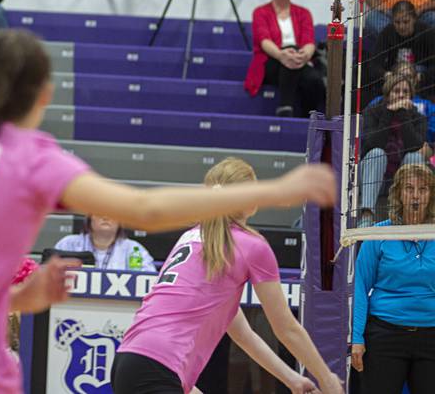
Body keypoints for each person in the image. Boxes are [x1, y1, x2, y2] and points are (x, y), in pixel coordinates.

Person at [0, 28, 336, 394]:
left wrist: (21, 296)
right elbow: (144, 208)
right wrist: (276, 189)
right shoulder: (29, 155)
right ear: (42, 96)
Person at [113, 158, 343, 394]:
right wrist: (327, 378)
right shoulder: (251, 245)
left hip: (131, 359)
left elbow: (242, 333)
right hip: (159, 367)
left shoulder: (193, 236)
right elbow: (286, 328)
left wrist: (292, 379)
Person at [351, 163, 435, 394]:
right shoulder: (379, 234)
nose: (416, 195)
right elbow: (359, 287)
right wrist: (356, 338)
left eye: (423, 189)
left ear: (431, 195)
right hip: (385, 335)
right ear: (398, 193)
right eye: (409, 188)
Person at [244, 0, 325, 117]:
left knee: (314, 80)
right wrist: (282, 55)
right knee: (290, 56)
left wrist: (304, 55)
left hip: (299, 59)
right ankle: (285, 106)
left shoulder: (304, 13)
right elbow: (264, 40)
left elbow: (309, 42)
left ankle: (308, 117)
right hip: (270, 61)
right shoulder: (260, 12)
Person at [359, 73, 428, 224]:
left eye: (405, 92)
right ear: (388, 94)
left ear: (411, 96)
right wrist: (389, 113)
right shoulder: (373, 112)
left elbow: (415, 145)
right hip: (371, 175)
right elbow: (373, 143)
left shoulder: (418, 118)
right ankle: (367, 215)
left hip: (399, 180)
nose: (401, 95)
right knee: (377, 153)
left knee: (415, 157)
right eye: (396, 91)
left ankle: (408, 216)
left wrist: (403, 115)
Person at [365, 0, 435, 103]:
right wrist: (387, 75)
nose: (401, 26)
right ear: (392, 20)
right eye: (397, 22)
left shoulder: (427, 32)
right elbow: (374, 65)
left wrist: (422, 76)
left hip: (421, 79)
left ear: (414, 19)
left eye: (406, 22)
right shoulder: (387, 33)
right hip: (394, 78)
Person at [54, 215, 157, 272]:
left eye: (111, 212)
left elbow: (149, 282)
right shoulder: (67, 244)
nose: (105, 217)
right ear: (89, 219)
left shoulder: (134, 249)